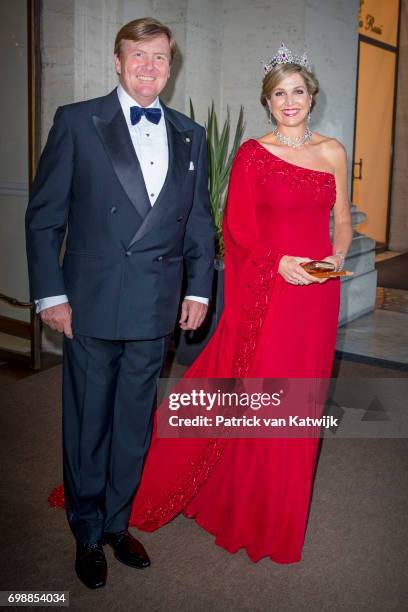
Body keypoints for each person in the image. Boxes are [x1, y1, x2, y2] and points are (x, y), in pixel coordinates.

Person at [50, 42, 353, 564]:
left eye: (297, 91)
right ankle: (238, 502)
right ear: (267, 100)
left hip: (318, 295)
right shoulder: (252, 153)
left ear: (312, 97)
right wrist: (279, 263)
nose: (289, 101)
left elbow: (342, 219)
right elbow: (234, 231)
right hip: (272, 291)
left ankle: (278, 511)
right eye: (278, 93)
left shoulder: (333, 151)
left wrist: (336, 257)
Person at [26, 17, 214, 589]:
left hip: (156, 303)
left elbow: (198, 221)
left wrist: (199, 287)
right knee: (88, 419)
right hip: (90, 301)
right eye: (139, 56)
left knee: (134, 420)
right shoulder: (78, 121)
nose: (150, 68)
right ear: (117, 60)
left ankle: (114, 521)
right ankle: (85, 529)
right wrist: (50, 293)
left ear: (170, 65)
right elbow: (44, 217)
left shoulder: (191, 133)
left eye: (160, 58)